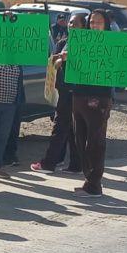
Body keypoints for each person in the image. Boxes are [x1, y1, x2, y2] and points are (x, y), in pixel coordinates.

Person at [31, 13, 87, 174]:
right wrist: (57, 60)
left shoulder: (88, 44)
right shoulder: (63, 42)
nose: (72, 26)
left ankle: (48, 163)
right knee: (70, 129)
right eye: (70, 22)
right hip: (63, 89)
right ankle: (76, 165)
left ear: (84, 26)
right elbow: (54, 64)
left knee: (61, 127)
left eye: (76, 23)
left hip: (77, 91)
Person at [68, 9, 114, 198]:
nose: (95, 25)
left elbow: (123, 61)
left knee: (95, 141)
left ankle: (95, 184)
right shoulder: (81, 41)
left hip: (100, 97)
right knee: (80, 140)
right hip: (79, 94)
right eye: (92, 22)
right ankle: (88, 179)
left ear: (106, 24)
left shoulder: (112, 43)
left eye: (99, 22)